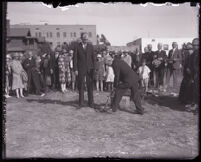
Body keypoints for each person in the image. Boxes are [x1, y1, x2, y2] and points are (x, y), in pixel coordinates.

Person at [73, 32, 96, 108]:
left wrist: (94, 68)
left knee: (90, 86)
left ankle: (91, 103)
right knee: (81, 86)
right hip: (80, 69)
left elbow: (94, 58)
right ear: (81, 39)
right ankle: (81, 103)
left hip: (90, 69)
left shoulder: (91, 46)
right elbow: (75, 59)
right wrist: (75, 69)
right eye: (84, 38)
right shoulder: (77, 47)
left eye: (86, 39)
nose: (85, 40)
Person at [189, 38, 199, 111]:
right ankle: (196, 104)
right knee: (195, 90)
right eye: (193, 45)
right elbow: (191, 64)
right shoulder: (193, 54)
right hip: (195, 75)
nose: (194, 46)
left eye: (195, 45)